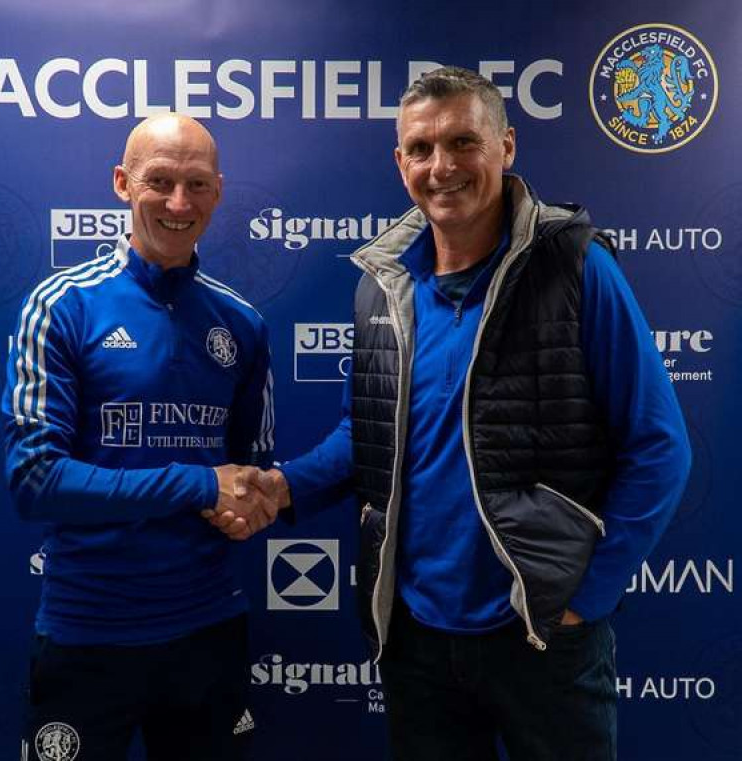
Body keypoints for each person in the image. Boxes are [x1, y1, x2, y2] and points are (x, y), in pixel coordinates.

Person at [210, 67, 691, 760]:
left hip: (541, 633)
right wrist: (283, 488)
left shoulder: (575, 266)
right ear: (400, 162)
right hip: (417, 637)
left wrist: (587, 597)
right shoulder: (383, 289)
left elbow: (659, 447)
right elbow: (367, 435)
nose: (443, 167)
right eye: (421, 149)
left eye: (463, 141)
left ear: (507, 147)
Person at [3, 113, 276, 761]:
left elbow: (249, 474)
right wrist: (197, 482)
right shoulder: (62, 305)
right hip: (86, 635)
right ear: (123, 184)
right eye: (159, 181)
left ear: (218, 191)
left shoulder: (242, 323)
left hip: (208, 633)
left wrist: (248, 502)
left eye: (197, 184)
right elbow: (34, 480)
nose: (179, 203)